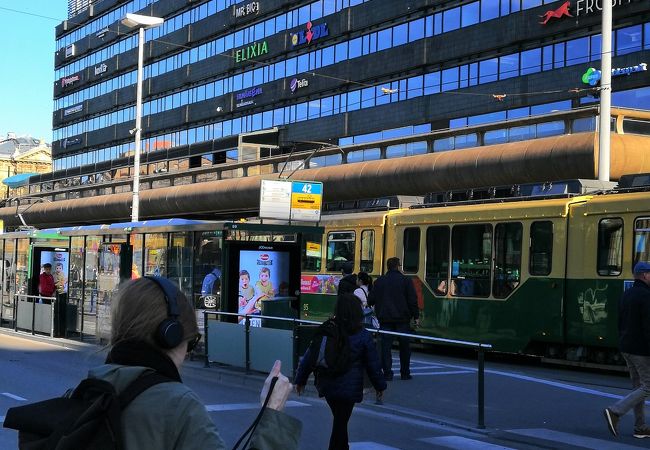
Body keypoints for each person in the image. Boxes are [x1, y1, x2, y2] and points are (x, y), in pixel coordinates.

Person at [90, 276, 301, 449]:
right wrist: (272, 411)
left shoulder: (89, 390)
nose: (187, 354)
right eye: (191, 343)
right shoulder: (178, 406)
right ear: (171, 335)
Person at [294, 293, 386, 450]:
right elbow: (373, 364)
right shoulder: (363, 335)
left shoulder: (328, 329)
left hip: (327, 385)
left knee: (340, 421)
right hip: (350, 388)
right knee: (341, 422)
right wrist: (380, 386)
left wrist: (300, 380)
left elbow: (310, 356)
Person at [604, 262, 650, 439]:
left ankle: (640, 427)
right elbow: (648, 328)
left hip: (626, 347)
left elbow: (619, 322)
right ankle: (615, 411)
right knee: (648, 387)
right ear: (645, 275)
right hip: (641, 350)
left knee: (638, 387)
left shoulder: (626, 294)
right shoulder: (646, 296)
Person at [368, 257, 419, 381]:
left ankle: (387, 373)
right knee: (405, 347)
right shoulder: (406, 281)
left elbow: (370, 300)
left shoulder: (379, 282)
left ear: (388, 267)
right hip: (402, 319)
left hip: (385, 318)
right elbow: (412, 300)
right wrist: (416, 316)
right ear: (398, 266)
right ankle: (405, 373)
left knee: (386, 347)